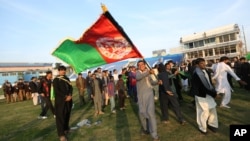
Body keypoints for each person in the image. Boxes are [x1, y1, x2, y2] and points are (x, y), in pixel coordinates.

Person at [191, 58, 218, 134]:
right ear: (197, 65)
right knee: (204, 111)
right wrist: (214, 94)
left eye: (204, 63)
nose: (204, 64)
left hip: (209, 93)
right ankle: (202, 128)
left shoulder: (206, 71)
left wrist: (213, 92)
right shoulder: (196, 73)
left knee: (212, 109)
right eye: (201, 63)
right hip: (200, 95)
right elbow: (202, 87)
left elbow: (209, 83)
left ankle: (212, 124)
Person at [136, 60, 160, 141]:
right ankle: (146, 129)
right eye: (139, 65)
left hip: (149, 94)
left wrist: (157, 82)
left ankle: (155, 135)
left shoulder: (147, 73)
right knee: (142, 114)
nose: (141, 66)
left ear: (145, 65)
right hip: (141, 97)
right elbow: (138, 77)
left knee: (151, 114)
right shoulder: (137, 73)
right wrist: (149, 72)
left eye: (142, 64)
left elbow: (151, 83)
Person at [53, 66, 73, 141]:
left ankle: (66, 129)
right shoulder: (56, 80)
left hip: (69, 100)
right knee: (60, 117)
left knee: (67, 115)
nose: (63, 71)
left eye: (64, 70)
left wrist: (70, 95)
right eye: (61, 70)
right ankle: (61, 134)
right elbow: (57, 91)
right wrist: (65, 97)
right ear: (59, 71)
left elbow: (71, 88)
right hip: (60, 102)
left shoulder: (67, 79)